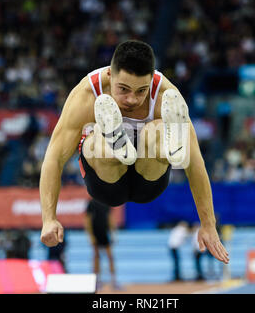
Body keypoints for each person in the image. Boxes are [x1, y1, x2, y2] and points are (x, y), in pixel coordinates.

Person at [39, 40, 229, 265]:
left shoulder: (166, 95)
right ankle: (114, 142)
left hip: (149, 177)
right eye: (124, 89)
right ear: (110, 75)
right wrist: (48, 219)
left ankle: (169, 148)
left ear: (151, 79)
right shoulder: (88, 94)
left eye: (141, 90)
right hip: (105, 182)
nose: (132, 99)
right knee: (96, 137)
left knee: (155, 129)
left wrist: (208, 225)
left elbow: (195, 164)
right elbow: (54, 157)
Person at [84, 199, 120, 290]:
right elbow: (87, 220)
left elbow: (109, 218)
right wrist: (90, 235)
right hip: (96, 233)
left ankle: (114, 281)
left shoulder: (106, 202)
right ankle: (96, 281)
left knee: (110, 257)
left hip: (105, 233)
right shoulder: (91, 203)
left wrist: (113, 232)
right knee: (96, 257)